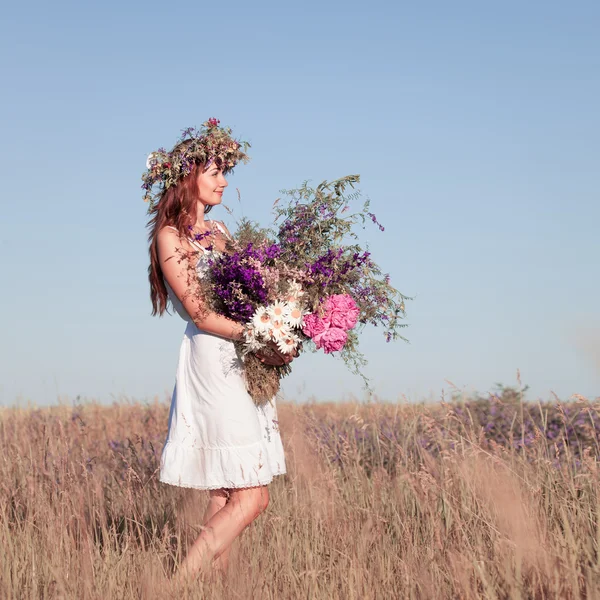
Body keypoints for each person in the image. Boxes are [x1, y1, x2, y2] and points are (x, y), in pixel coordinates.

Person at [144, 119, 292, 580]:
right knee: (254, 495)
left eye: (226, 172)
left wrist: (281, 320)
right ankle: (176, 585)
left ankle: (215, 589)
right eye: (214, 172)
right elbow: (200, 312)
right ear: (188, 177)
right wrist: (258, 336)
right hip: (212, 359)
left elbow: (246, 296)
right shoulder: (172, 236)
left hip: (238, 358)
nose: (224, 181)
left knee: (226, 493)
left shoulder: (222, 230)